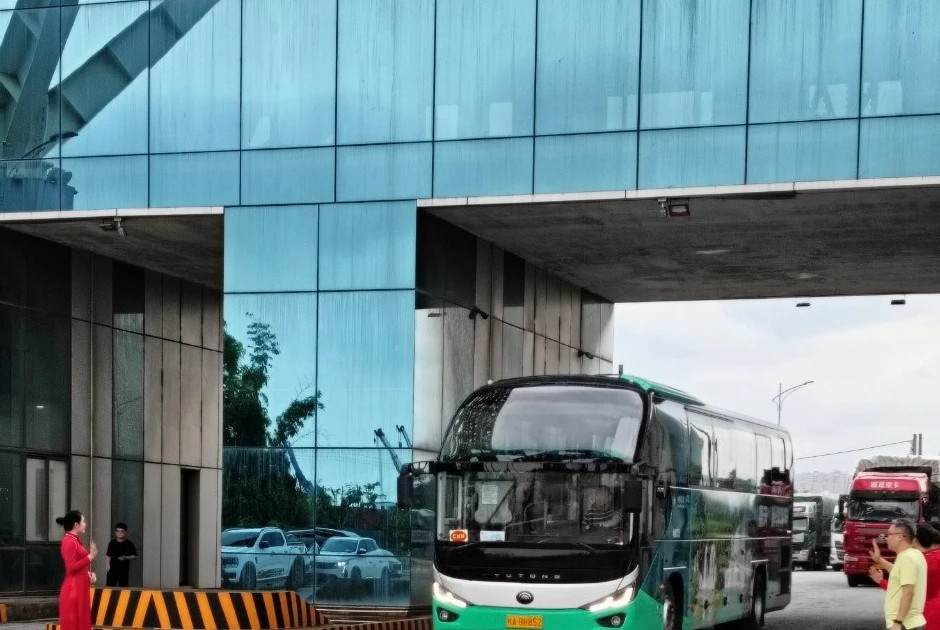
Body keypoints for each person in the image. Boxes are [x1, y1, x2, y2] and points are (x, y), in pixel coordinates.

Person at [867, 519, 927, 630]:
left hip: (904, 624)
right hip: (911, 623)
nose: (886, 538)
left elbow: (908, 592)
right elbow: (899, 572)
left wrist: (897, 623)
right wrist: (879, 560)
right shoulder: (914, 554)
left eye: (889, 534)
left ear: (900, 536)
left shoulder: (907, 558)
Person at [57, 510, 97, 630]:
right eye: (83, 521)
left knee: (81, 624)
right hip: (73, 591)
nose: (85, 524)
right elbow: (71, 567)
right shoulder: (69, 541)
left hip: (78, 588)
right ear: (76, 525)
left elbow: (78, 566)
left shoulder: (73, 540)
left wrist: (88, 575)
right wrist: (90, 557)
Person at [105, 522, 138, 587]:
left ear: (125, 532)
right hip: (112, 570)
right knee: (109, 588)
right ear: (115, 532)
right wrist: (107, 566)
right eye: (118, 531)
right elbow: (108, 555)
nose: (120, 533)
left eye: (122, 531)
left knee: (123, 589)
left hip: (123, 570)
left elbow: (135, 556)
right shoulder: (112, 543)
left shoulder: (129, 544)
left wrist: (125, 557)